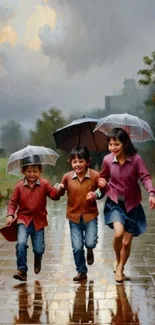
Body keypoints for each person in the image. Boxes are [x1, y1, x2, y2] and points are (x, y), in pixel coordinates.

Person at [87, 128, 155, 283]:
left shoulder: (136, 159)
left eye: (116, 144)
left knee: (126, 242)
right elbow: (103, 179)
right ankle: (117, 259)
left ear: (125, 143)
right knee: (118, 234)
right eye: (110, 144)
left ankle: (120, 269)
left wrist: (151, 193)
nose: (113, 147)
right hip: (115, 203)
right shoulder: (107, 160)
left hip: (132, 205)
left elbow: (145, 177)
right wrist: (97, 189)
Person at [6, 155, 64, 282]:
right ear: (23, 171)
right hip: (23, 220)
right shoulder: (19, 186)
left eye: (35, 171)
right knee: (21, 243)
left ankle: (38, 258)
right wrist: (10, 215)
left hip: (39, 221)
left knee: (38, 249)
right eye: (29, 171)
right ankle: (22, 270)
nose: (32, 174)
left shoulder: (44, 184)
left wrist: (59, 190)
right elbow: (12, 203)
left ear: (40, 171)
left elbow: (54, 195)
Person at [60, 146, 103, 281]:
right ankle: (81, 271)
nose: (77, 164)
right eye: (74, 161)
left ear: (87, 162)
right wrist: (59, 189)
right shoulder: (67, 177)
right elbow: (58, 194)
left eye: (81, 161)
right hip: (74, 218)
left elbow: (102, 191)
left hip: (90, 216)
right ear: (70, 162)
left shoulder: (95, 175)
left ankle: (90, 250)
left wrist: (95, 195)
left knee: (90, 242)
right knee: (77, 247)